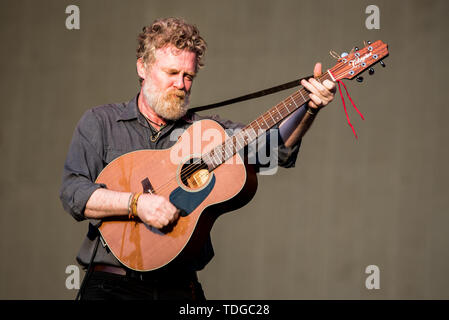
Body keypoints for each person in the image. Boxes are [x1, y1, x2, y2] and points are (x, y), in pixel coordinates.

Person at [59, 17, 336, 300]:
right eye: (171, 72)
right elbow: (73, 192)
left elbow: (275, 148)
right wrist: (136, 203)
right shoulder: (102, 122)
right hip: (111, 288)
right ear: (142, 67)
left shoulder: (208, 133)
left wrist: (309, 108)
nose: (181, 84)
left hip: (180, 289)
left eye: (188, 76)